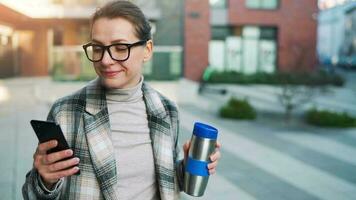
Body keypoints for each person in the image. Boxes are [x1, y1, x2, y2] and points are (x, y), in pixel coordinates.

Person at [22, 1, 221, 200]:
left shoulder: (167, 110)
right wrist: (44, 180)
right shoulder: (66, 112)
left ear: (147, 50)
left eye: (120, 47)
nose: (105, 60)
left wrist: (186, 167)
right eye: (98, 48)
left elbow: (165, 183)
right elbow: (34, 195)